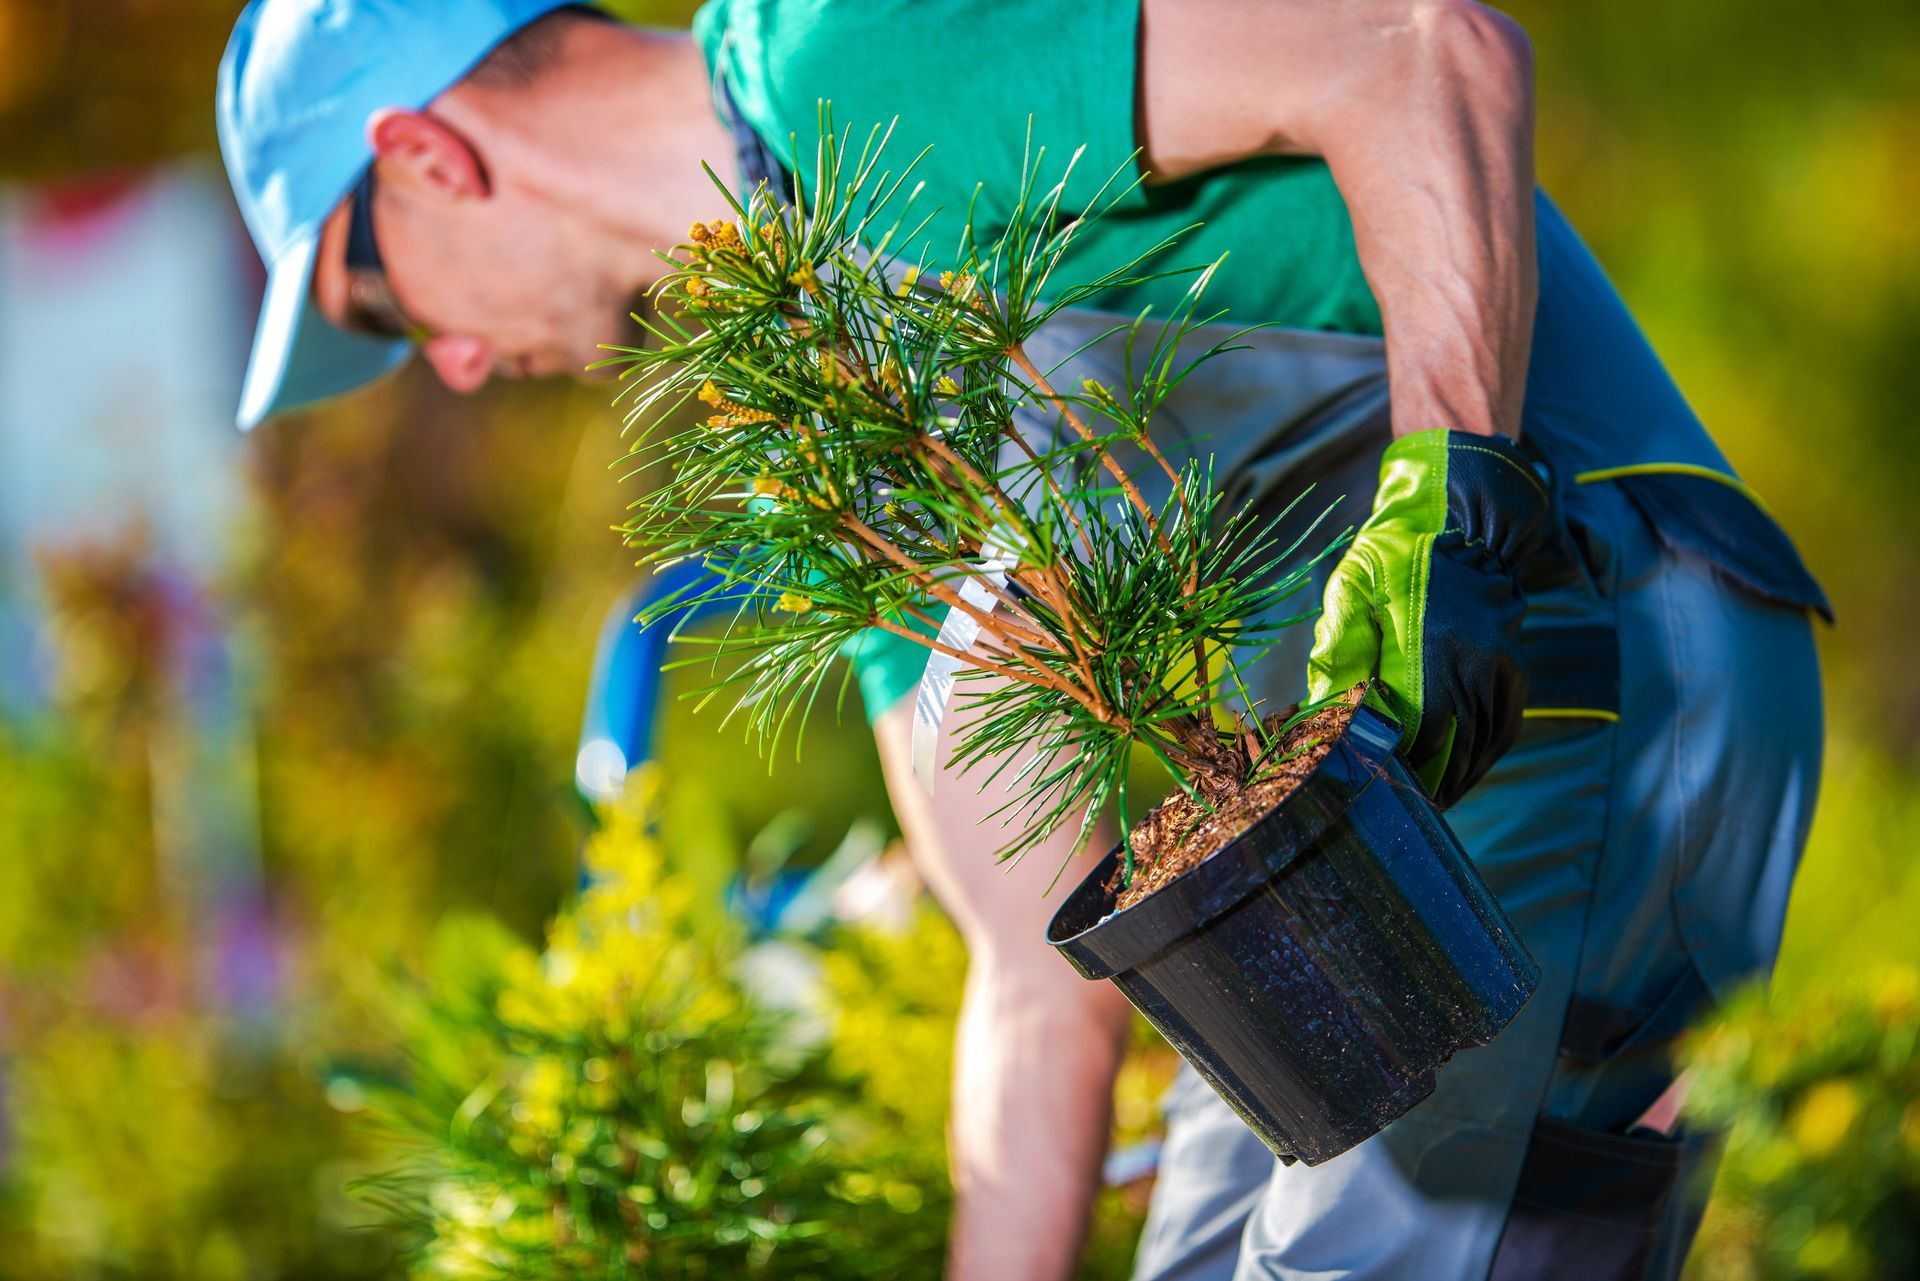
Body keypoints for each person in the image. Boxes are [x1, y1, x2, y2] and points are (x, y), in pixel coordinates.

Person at [216, 2, 1831, 1278]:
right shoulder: (826, 423)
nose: (453, 364)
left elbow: (1418, 51)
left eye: (380, 309)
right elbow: (1026, 962)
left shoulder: (849, 42)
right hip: (1357, 803)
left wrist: (1453, 496)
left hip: (1571, 630)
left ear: (428, 155)